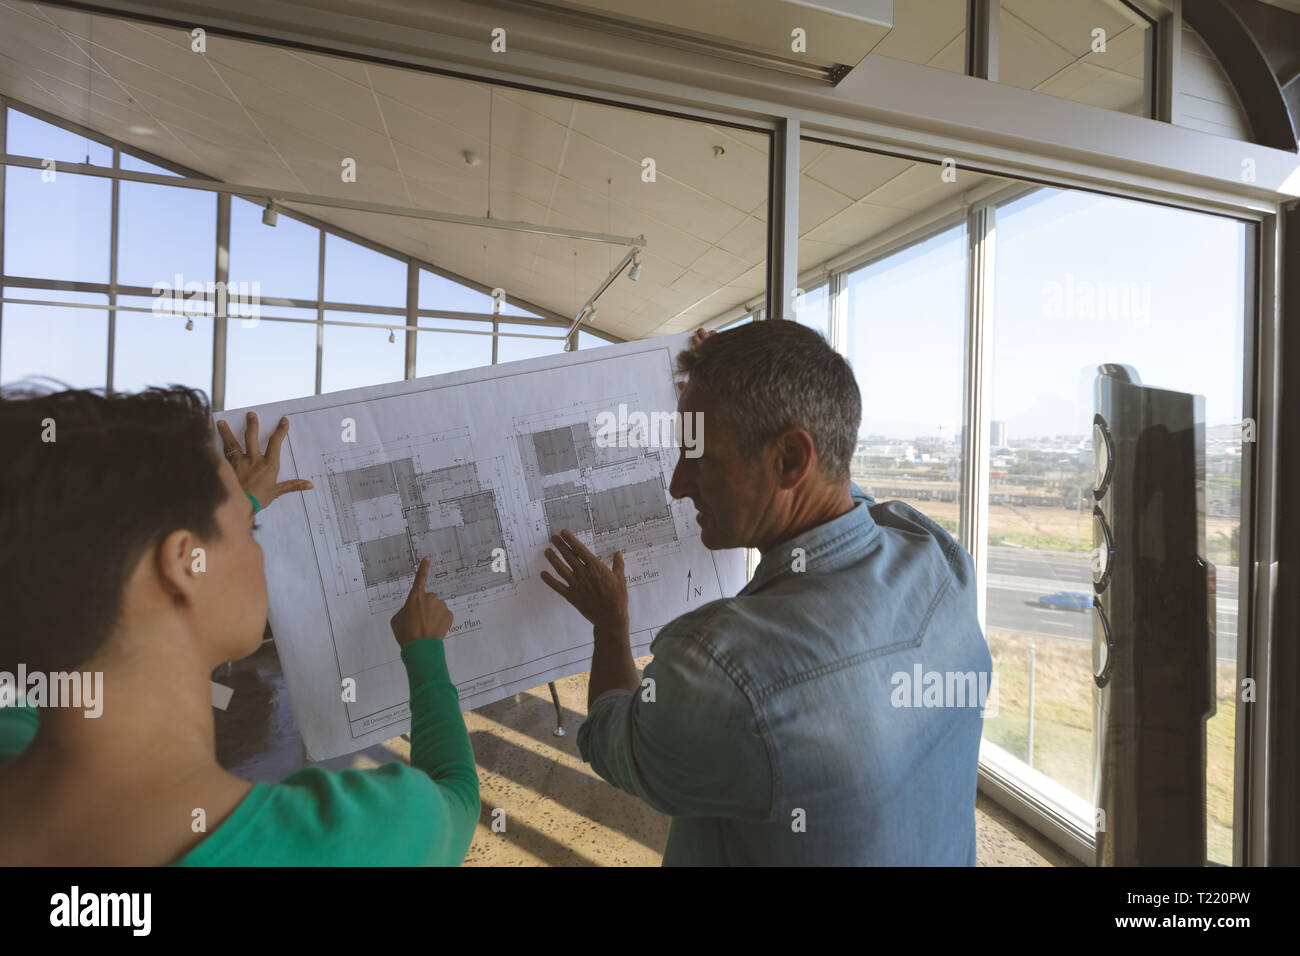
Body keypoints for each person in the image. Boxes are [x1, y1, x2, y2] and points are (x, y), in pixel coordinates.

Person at [540, 320, 993, 865]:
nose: (677, 484)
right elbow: (848, 499)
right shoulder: (939, 559)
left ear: (789, 461)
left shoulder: (723, 666)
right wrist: (730, 385)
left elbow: (614, 741)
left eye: (700, 456)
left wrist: (610, 627)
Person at [0, 385, 478, 865]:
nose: (257, 542)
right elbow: (455, 796)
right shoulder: (353, 837)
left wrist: (233, 504)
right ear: (186, 564)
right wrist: (425, 654)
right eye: (251, 529)